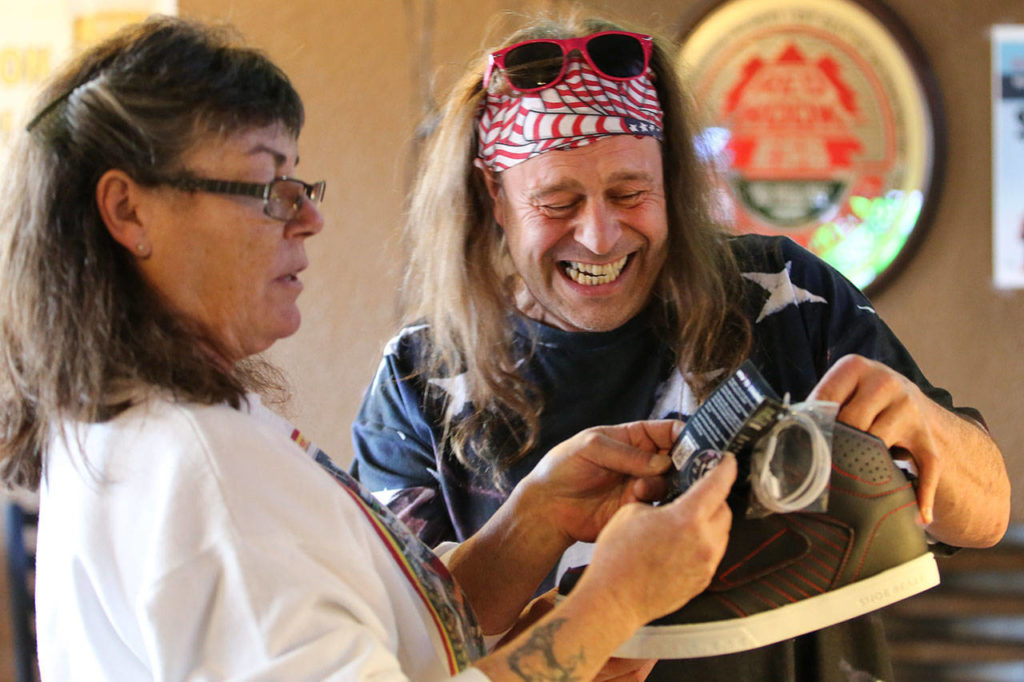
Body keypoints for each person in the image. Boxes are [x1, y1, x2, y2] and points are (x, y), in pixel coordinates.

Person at [0, 15, 742, 681]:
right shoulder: (198, 474)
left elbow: (374, 631)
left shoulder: (173, 432)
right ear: (130, 211)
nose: (308, 219)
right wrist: (609, 607)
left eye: (298, 182)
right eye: (268, 185)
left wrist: (529, 525)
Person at [350, 11, 1012, 681]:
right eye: (557, 203)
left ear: (669, 178)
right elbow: (408, 639)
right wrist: (549, 539)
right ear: (495, 194)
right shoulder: (420, 379)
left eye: (629, 192)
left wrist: (923, 423)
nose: (601, 237)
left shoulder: (781, 295)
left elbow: (986, 515)